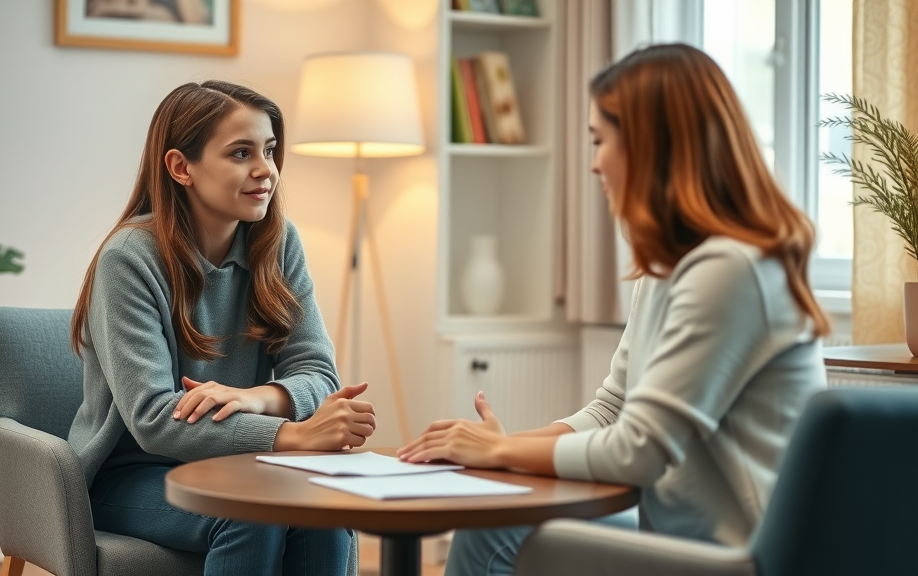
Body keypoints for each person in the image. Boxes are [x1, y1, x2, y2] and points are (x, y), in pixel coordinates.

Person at [397, 43, 830, 576]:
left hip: (748, 556)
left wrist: (498, 453)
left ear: (654, 147)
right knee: (495, 521)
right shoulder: (669, 267)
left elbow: (639, 449)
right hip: (686, 537)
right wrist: (494, 444)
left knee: (497, 524)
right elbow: (612, 410)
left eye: (601, 141)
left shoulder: (733, 269)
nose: (594, 163)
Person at [67, 80, 376, 575]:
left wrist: (256, 397)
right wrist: (290, 437)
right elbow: (153, 417)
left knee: (322, 507)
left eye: (270, 151)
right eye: (240, 153)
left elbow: (318, 372)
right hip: (132, 475)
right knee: (252, 513)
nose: (266, 171)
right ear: (180, 167)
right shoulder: (128, 259)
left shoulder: (277, 244)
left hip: (241, 463)